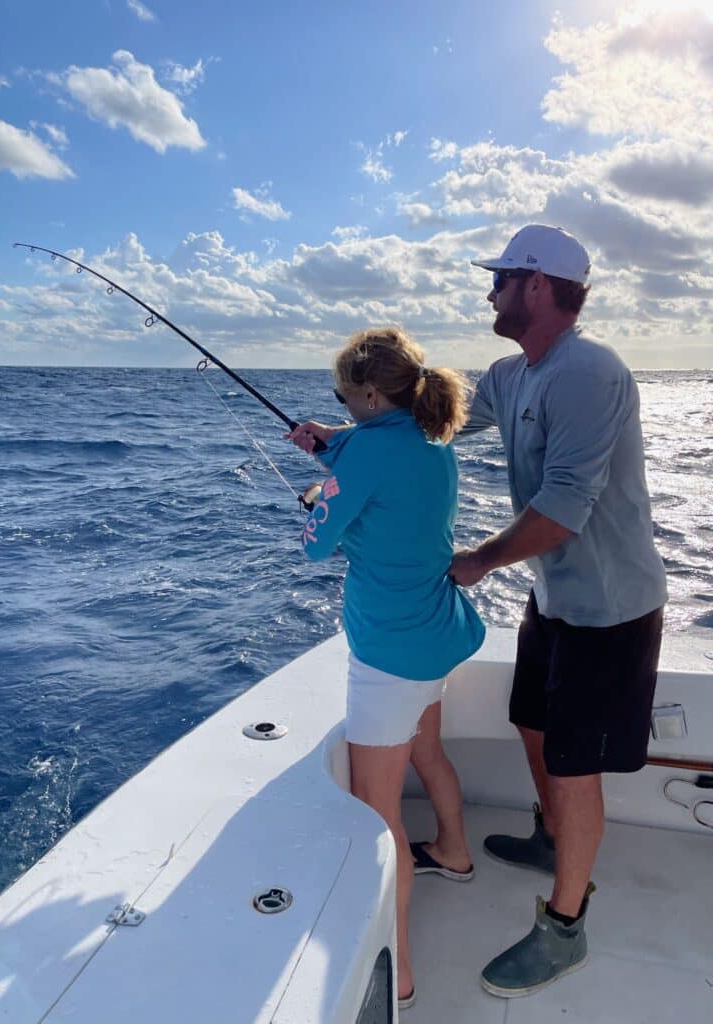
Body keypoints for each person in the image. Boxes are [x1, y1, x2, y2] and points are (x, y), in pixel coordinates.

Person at [449, 224, 667, 997]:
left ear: (537, 286)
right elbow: (440, 424)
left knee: (574, 768)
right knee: (532, 724)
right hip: (554, 597)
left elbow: (564, 510)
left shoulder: (589, 372)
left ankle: (565, 928)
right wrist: (345, 435)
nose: (490, 292)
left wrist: (478, 560)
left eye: (501, 278)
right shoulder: (509, 374)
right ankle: (551, 840)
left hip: (610, 610)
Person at [288, 326, 485, 1011]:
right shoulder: (433, 436)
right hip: (437, 634)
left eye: (342, 396)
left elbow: (316, 545)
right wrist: (333, 442)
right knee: (428, 752)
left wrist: (319, 494)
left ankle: (397, 968)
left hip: (389, 656)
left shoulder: (366, 451)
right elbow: (377, 449)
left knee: (379, 814)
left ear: (370, 394)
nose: (340, 405)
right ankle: (454, 852)